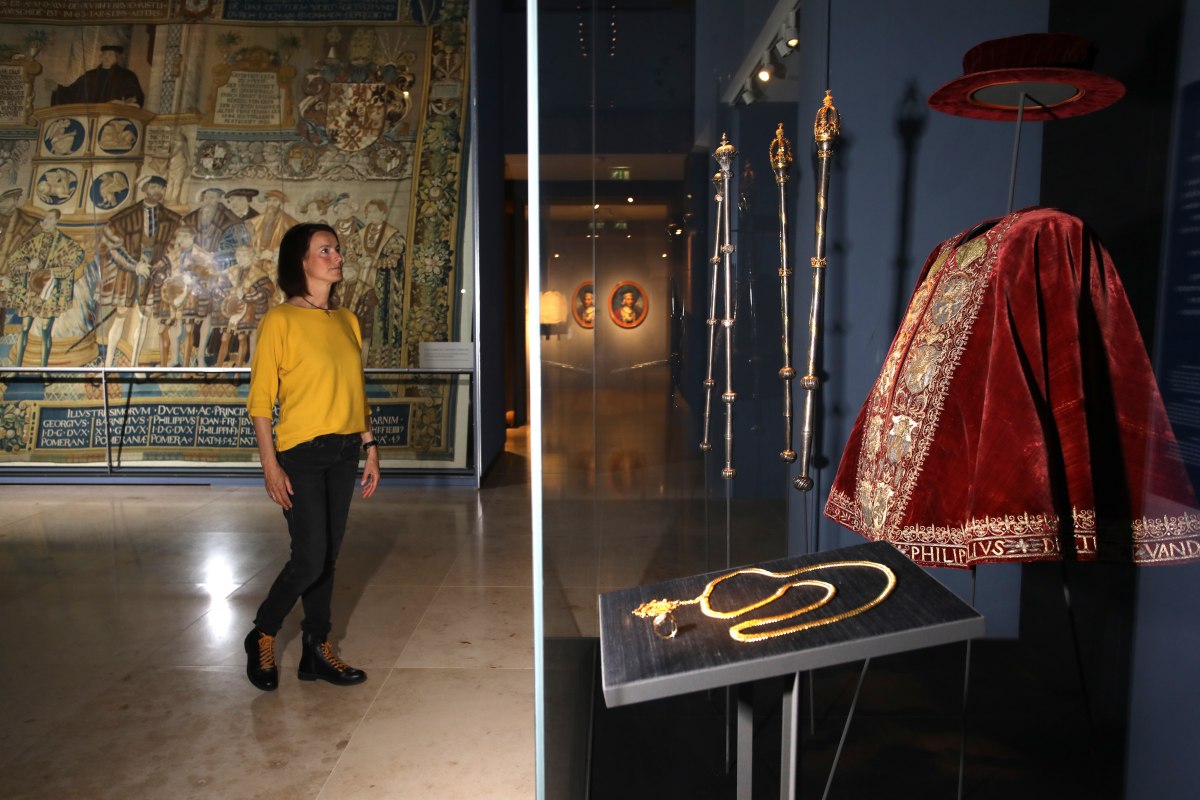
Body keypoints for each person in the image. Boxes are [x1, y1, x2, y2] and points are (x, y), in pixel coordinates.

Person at [244, 222, 380, 692]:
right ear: (301, 262)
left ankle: (316, 652)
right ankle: (262, 632)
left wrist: (370, 447)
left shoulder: (347, 322)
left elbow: (356, 392)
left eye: (337, 249)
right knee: (308, 559)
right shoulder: (280, 321)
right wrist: (270, 465)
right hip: (300, 454)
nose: (337, 256)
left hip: (344, 452)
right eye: (326, 250)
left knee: (328, 558)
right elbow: (261, 402)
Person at [50, 44, 144, 107]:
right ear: (100, 56)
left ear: (117, 58)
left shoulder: (126, 76)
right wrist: (58, 89)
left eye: (111, 55)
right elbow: (72, 93)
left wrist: (124, 102)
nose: (107, 57)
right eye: (105, 54)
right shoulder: (90, 76)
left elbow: (135, 97)